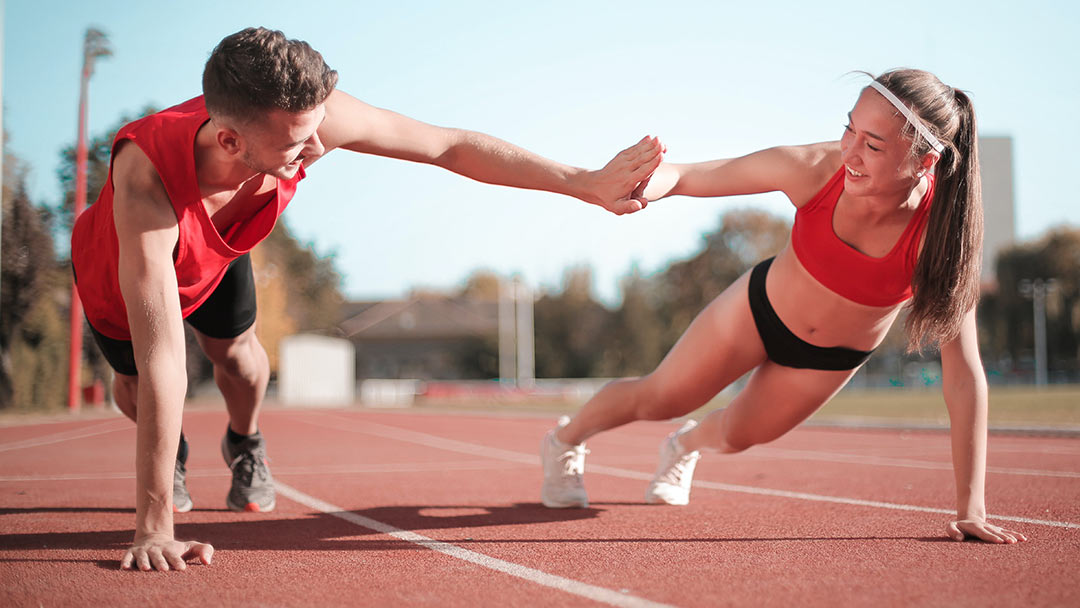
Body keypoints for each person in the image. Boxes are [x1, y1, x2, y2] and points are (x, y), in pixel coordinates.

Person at [71, 27, 663, 572]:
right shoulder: (146, 181)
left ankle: (244, 443)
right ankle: (170, 454)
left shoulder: (312, 120)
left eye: (315, 132)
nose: (317, 151)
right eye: (297, 145)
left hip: (220, 249)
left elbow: (448, 146)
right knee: (141, 385)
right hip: (123, 266)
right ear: (229, 139)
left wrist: (582, 182)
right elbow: (164, 358)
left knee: (242, 361)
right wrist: (154, 530)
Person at [539, 68, 1028, 545]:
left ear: (924, 162)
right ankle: (565, 440)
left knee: (736, 436)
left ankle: (683, 447)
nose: (850, 152)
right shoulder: (815, 169)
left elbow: (963, 373)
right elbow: (689, 176)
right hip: (757, 311)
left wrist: (971, 510)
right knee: (662, 397)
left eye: (873, 145)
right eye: (848, 128)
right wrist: (642, 184)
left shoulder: (940, 237)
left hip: (828, 360)